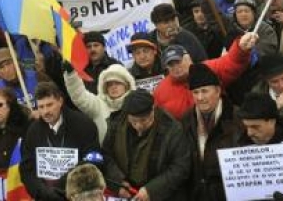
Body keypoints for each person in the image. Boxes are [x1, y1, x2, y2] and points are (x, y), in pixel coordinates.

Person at [103, 89, 191, 201]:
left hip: (161, 195)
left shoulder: (172, 129)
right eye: (134, 121)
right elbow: (106, 155)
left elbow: (180, 167)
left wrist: (151, 190)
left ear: (153, 109)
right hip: (126, 192)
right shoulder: (116, 123)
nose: (139, 126)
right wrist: (118, 182)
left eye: (144, 120)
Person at [21, 81, 102, 201]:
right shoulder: (33, 130)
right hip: (44, 196)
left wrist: (60, 189)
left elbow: (92, 161)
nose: (45, 111)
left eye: (49, 105)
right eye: (41, 107)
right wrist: (40, 191)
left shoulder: (84, 125)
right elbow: (27, 168)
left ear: (60, 101)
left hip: (77, 194)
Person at [153, 32, 257, 120]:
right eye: (171, 64)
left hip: (220, 125)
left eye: (178, 61)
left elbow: (230, 63)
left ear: (188, 58)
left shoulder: (207, 69)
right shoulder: (160, 91)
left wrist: (241, 48)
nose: (176, 67)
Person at [181, 63, 243, 201]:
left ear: (218, 91)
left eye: (204, 91)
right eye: (195, 92)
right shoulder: (185, 121)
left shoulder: (238, 118)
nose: (200, 97)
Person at [63, 59, 135, 139]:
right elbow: (79, 95)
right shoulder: (99, 105)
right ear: (105, 88)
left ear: (127, 85)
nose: (114, 87)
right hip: (105, 151)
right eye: (110, 84)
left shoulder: (136, 104)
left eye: (118, 83)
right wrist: (71, 75)